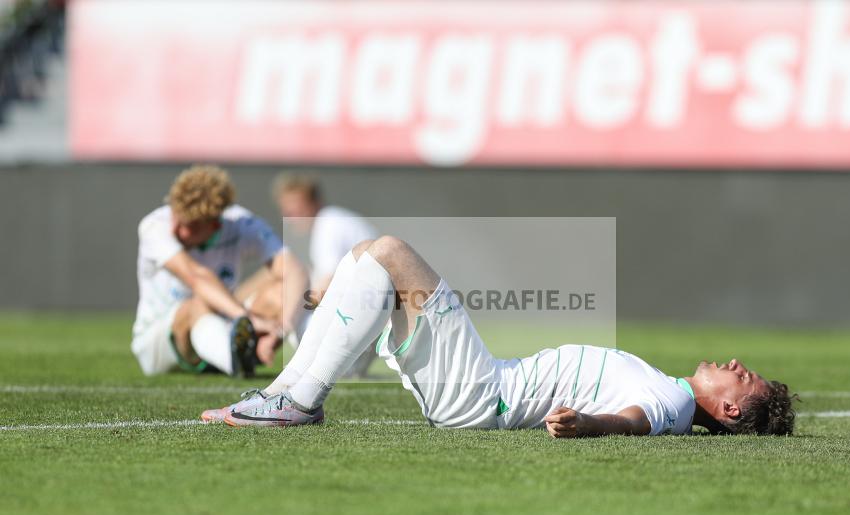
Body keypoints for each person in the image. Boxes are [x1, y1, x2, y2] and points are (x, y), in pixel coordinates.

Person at [200, 236, 796, 436]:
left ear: (729, 409)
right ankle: (285, 394)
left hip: (485, 394)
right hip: (486, 385)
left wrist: (590, 427)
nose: (738, 362)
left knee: (389, 253)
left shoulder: (673, 401)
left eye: (745, 377)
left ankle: (298, 403)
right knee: (365, 255)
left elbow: (635, 422)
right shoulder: (671, 386)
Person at [131, 165, 304, 380]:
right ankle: (234, 361)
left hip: (222, 323)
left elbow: (294, 270)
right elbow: (197, 277)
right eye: (177, 218)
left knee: (281, 293)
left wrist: (282, 329)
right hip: (157, 345)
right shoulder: (154, 226)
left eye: (191, 226)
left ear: (215, 225)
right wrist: (246, 317)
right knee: (198, 303)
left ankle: (234, 349)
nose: (177, 231)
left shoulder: (242, 224)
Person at [235, 172, 377, 373]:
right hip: (359, 336)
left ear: (314, 201)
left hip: (348, 343)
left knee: (278, 293)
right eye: (286, 207)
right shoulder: (336, 220)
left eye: (296, 206)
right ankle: (237, 329)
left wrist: (281, 328)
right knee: (283, 281)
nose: (290, 213)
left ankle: (237, 344)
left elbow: (326, 284)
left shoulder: (329, 223)